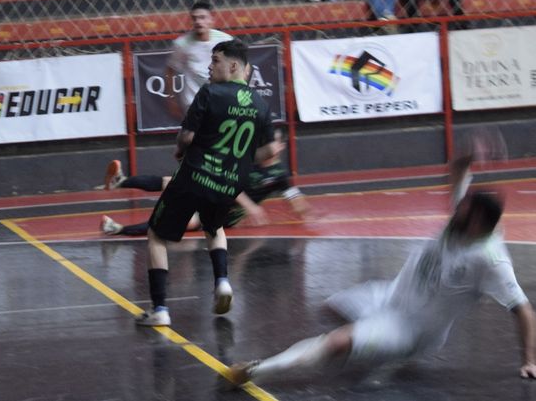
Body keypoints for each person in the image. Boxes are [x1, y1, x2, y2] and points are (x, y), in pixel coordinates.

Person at [229, 142, 536, 385]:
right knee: (330, 310)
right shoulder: (464, 220)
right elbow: (456, 168)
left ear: (477, 222)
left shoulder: (490, 259)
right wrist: (472, 154)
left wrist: (530, 360)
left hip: (410, 329)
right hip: (389, 295)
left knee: (336, 342)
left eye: (464, 209)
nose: (456, 208)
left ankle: (257, 370)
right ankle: (367, 348)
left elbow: (523, 309)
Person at [135, 39, 276, 325]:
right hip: (229, 183)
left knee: (157, 235)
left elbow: (186, 137)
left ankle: (160, 309)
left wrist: (180, 150)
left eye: (215, 61)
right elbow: (270, 150)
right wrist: (241, 158)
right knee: (214, 227)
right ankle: (222, 281)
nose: (209, 67)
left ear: (233, 66)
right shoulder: (261, 105)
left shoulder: (210, 92)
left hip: (195, 175)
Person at [101, 129, 311, 235]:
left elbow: (295, 199)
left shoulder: (279, 174)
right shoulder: (247, 160)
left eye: (272, 142)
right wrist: (250, 207)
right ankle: (121, 181)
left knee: (184, 222)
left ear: (280, 147)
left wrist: (305, 211)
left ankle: (118, 229)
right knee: (171, 181)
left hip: (220, 213)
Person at [164, 0, 235, 120]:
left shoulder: (225, 40)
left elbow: (241, 65)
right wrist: (171, 98)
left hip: (221, 100)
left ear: (211, 19)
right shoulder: (182, 44)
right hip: (193, 102)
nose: (198, 21)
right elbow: (170, 70)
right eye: (194, 18)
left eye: (202, 17)